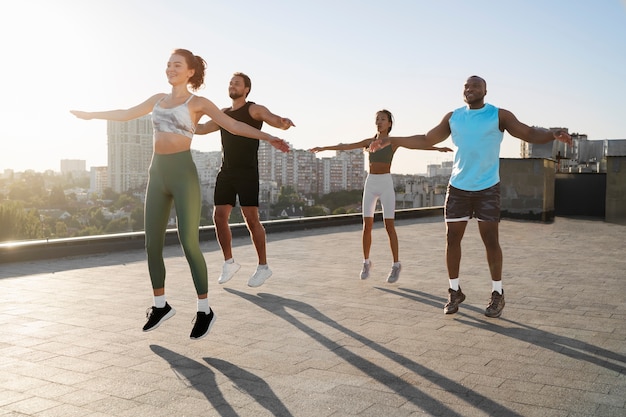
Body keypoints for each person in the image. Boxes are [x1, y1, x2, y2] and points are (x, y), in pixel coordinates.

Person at [70, 49, 290, 339]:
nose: (170, 68)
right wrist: (91, 115)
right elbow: (125, 114)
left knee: (188, 242)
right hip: (157, 173)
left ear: (190, 72)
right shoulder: (157, 100)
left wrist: (269, 136)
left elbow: (235, 126)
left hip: (183, 174)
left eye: (177, 65)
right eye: (168, 64)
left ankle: (204, 309)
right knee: (152, 244)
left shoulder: (198, 102)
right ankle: (160, 305)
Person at [370, 75, 572, 317]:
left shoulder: (499, 115)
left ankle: (497, 293)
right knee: (452, 240)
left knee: (490, 240)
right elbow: (426, 139)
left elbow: (528, 133)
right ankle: (454, 291)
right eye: (466, 86)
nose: (469, 89)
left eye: (475, 85)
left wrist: (553, 133)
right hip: (458, 188)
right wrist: (390, 140)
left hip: (487, 188)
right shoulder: (453, 116)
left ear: (485, 90)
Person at [309, 110, 452, 283]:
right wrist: (324, 148)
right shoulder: (369, 142)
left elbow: (415, 145)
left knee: (389, 226)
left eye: (383, 119)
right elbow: (346, 146)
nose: (379, 122)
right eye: (377, 119)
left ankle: (396, 265)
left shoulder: (392, 142)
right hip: (371, 183)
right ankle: (366, 262)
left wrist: (438, 148)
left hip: (385, 183)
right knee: (366, 225)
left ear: (390, 123)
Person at [195, 72, 294, 288]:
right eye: (230, 82)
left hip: (248, 172)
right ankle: (229, 263)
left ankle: (263, 267)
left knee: (251, 219)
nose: (232, 86)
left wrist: (283, 124)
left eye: (237, 83)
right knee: (219, 216)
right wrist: (185, 118)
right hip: (226, 171)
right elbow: (201, 129)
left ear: (246, 89)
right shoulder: (222, 114)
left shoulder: (253, 109)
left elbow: (274, 120)